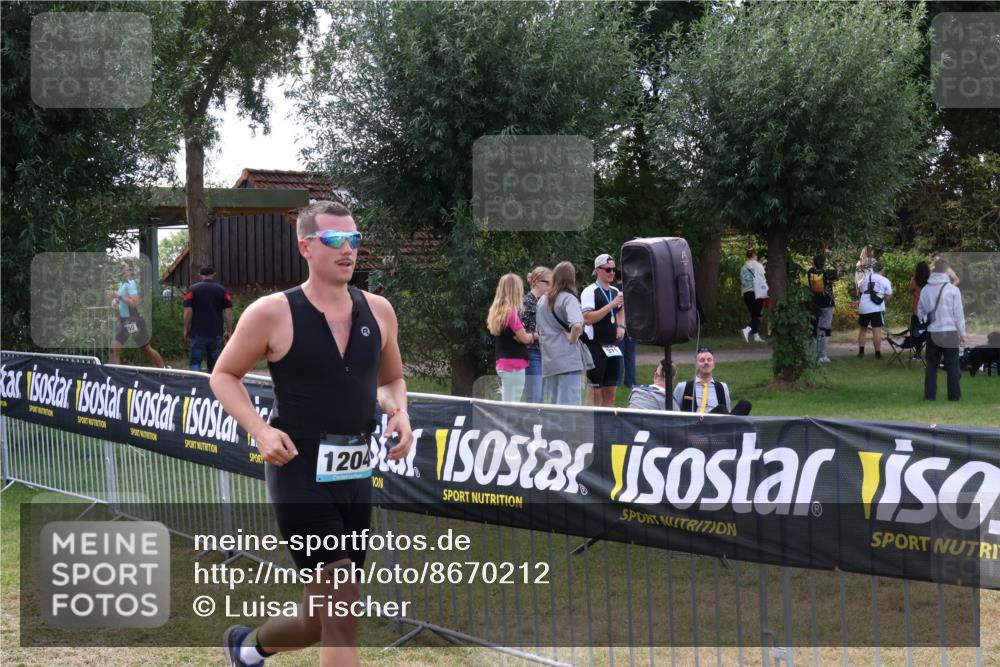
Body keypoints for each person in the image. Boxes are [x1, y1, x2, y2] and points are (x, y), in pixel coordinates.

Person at [210, 201, 413, 667]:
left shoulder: (378, 311)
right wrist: (259, 430)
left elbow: (390, 380)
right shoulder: (272, 312)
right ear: (306, 247)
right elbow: (223, 375)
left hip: (355, 476)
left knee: (319, 618)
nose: (348, 251)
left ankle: (247, 646)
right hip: (298, 473)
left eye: (354, 240)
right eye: (335, 240)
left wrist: (398, 413)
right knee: (343, 607)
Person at [535, 261, 586, 406]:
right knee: (570, 407)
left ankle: (552, 430)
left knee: (553, 406)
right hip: (567, 359)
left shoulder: (542, 300)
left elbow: (539, 330)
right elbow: (576, 325)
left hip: (549, 360)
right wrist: (573, 338)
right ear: (572, 278)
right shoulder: (569, 299)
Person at [581, 253, 626, 407]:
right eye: (608, 270)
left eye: (614, 270)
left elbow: (621, 310)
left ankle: (606, 425)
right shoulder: (590, 291)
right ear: (598, 270)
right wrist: (611, 305)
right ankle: (589, 424)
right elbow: (587, 318)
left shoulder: (614, 291)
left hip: (612, 345)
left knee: (610, 390)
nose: (612, 273)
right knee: (594, 390)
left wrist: (621, 326)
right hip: (595, 345)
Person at [919, 258, 966, 401]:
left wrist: (925, 321)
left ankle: (929, 395)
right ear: (946, 271)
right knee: (952, 365)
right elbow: (958, 314)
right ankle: (954, 396)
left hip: (933, 331)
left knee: (932, 365)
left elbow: (920, 312)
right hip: (950, 331)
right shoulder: (953, 290)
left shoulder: (926, 289)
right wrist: (962, 333)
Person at [107, 260, 165, 368]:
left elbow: (134, 303)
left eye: (126, 268)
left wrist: (118, 297)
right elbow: (122, 299)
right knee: (113, 349)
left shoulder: (131, 283)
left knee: (146, 349)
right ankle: (113, 376)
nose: (124, 270)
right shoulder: (122, 283)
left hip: (133, 321)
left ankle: (164, 370)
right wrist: (115, 301)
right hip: (124, 321)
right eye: (122, 268)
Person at [486, 273, 533, 402]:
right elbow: (524, 338)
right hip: (515, 364)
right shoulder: (511, 313)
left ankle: (504, 422)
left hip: (503, 362)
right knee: (513, 403)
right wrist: (533, 336)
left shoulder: (497, 311)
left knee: (507, 401)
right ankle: (507, 422)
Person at [183, 265, 234, 372]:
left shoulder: (192, 289)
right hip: (216, 333)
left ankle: (195, 385)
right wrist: (229, 330)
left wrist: (186, 328)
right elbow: (228, 311)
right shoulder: (222, 290)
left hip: (198, 332)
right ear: (214, 274)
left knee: (195, 362)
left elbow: (188, 311)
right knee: (214, 364)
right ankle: (212, 386)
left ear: (200, 275)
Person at [520, 266, 552, 404]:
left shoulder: (546, 303)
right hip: (532, 353)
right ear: (537, 282)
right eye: (548, 283)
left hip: (545, 352)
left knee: (541, 396)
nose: (551, 287)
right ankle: (532, 424)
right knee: (535, 396)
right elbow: (520, 332)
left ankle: (537, 424)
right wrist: (542, 335)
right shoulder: (526, 302)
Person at [672, 348, 732, 413]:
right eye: (702, 360)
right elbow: (673, 411)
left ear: (714, 364)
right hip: (693, 422)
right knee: (721, 408)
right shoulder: (682, 387)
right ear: (696, 365)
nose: (706, 362)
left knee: (742, 405)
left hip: (716, 422)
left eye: (709, 360)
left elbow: (728, 411)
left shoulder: (723, 387)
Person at [856, 261, 892, 360]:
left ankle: (861, 352)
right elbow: (888, 296)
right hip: (876, 308)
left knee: (863, 329)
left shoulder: (865, 278)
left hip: (864, 306)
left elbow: (861, 291)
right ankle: (877, 354)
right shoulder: (885, 280)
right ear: (882, 269)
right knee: (877, 331)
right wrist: (883, 299)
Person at [808, 254, 837, 363]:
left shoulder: (810, 272)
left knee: (814, 329)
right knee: (825, 330)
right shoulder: (828, 273)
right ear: (824, 263)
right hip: (827, 304)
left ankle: (812, 356)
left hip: (814, 304)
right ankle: (822, 356)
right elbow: (836, 276)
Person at [739, 249, 767, 343]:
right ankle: (747, 329)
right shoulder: (758, 266)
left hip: (746, 293)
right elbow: (763, 277)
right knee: (758, 316)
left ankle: (756, 335)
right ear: (754, 255)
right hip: (756, 292)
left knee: (753, 315)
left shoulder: (743, 268)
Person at [614, 279, 637, 388]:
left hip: (621, 325)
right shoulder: (633, 288)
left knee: (620, 354)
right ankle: (630, 381)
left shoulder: (615, 289)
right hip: (632, 324)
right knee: (630, 354)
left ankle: (617, 381)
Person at [908, 261, 931, 333]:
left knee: (916, 331)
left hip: (917, 309)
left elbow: (910, 291)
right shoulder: (931, 279)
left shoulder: (914, 280)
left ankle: (916, 342)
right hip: (928, 309)